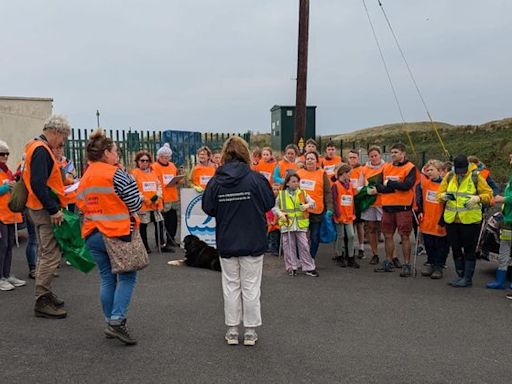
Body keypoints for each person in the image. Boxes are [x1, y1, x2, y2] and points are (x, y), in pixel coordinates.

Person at [202, 136, 274, 346]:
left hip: (227, 239)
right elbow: (269, 202)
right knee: (251, 287)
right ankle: (250, 331)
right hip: (253, 239)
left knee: (231, 286)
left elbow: (208, 207)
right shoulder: (256, 178)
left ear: (224, 155)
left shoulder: (217, 180)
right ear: (245, 154)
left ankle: (232, 330)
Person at [77, 129, 143, 345]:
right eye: (116, 150)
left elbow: (80, 202)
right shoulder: (116, 174)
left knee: (107, 277)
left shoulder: (86, 175)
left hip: (92, 232)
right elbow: (135, 203)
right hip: (117, 232)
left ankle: (109, 321)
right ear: (106, 152)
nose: (118, 154)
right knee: (127, 276)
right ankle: (117, 321)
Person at [23, 114, 70, 318]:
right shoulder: (41, 150)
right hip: (43, 209)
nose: (62, 142)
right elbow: (38, 184)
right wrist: (53, 209)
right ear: (55, 132)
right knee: (50, 254)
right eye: (63, 138)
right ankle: (42, 299)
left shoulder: (34, 146)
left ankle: (45, 293)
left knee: (46, 252)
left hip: (37, 207)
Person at [437, 154, 492, 287]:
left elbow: (489, 194)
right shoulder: (449, 176)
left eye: (463, 170)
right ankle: (460, 275)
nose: (460, 173)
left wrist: (477, 198)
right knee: (455, 248)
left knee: (469, 249)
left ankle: (467, 278)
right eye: (458, 171)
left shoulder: (476, 177)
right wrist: (443, 196)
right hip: (452, 220)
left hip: (470, 221)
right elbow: (439, 194)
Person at [372, 143, 417, 276]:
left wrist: (390, 184)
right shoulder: (386, 167)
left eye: (396, 152)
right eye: (392, 152)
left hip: (403, 207)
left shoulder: (410, 168)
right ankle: (388, 261)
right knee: (387, 235)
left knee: (404, 236)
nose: (393, 155)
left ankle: (407, 264)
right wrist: (394, 187)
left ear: (403, 154)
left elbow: (407, 185)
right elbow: (379, 185)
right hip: (387, 207)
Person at [273, 173, 318, 277]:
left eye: (297, 181)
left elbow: (313, 203)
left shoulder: (302, 193)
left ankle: (309, 267)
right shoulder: (281, 194)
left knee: (304, 245)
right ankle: (291, 267)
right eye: (293, 181)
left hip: (300, 224)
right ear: (287, 183)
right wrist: (280, 214)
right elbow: (275, 207)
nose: (296, 183)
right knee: (288, 246)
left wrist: (306, 205)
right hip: (287, 224)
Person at [296, 151, 334, 259]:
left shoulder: (322, 173)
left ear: (317, 161)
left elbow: (327, 192)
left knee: (314, 237)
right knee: (301, 237)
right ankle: (300, 258)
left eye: (312, 159)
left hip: (317, 211)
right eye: (308, 159)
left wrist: (330, 208)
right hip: (302, 210)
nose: (310, 161)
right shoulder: (299, 173)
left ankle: (311, 257)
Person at [415, 160, 448, 279]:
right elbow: (421, 200)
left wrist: (443, 219)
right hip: (427, 219)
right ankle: (431, 262)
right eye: (428, 170)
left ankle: (439, 266)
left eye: (432, 170)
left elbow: (448, 204)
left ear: (439, 171)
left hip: (439, 219)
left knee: (440, 245)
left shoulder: (446, 186)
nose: (429, 172)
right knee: (428, 243)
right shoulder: (424, 184)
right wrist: (420, 211)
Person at [0, 140, 26, 291]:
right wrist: (5, 187)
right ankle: (1, 277)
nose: (5, 156)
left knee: (9, 245)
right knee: (2, 246)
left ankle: (7, 274)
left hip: (9, 214)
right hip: (1, 215)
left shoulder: (7, 171)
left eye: (7, 154)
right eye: (2, 154)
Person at [132, 150, 164, 253]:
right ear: (137, 161)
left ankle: (161, 244)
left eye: (147, 160)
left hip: (155, 204)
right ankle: (144, 246)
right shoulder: (134, 173)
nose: (145, 163)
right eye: (142, 160)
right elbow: (134, 189)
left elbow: (159, 186)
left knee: (159, 223)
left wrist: (157, 197)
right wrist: (145, 199)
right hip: (143, 205)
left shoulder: (153, 173)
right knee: (143, 226)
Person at [487, 157, 512, 289]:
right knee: (504, 250)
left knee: (506, 248)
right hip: (507, 221)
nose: (510, 158)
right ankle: (500, 280)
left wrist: (502, 199)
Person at [152, 144, 181, 250]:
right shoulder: (154, 167)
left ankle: (171, 240)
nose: (166, 159)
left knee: (172, 221)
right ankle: (161, 243)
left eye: (168, 157)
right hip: (162, 198)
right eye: (164, 157)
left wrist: (177, 180)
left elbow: (176, 177)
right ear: (158, 157)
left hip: (173, 196)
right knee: (160, 222)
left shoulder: (172, 165)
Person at [361, 145, 385, 265]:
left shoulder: (386, 167)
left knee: (386, 230)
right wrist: (366, 190)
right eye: (371, 156)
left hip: (383, 202)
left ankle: (391, 255)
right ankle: (375, 254)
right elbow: (360, 186)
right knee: (371, 228)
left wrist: (379, 189)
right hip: (370, 203)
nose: (374, 158)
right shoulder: (365, 169)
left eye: (376, 155)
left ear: (380, 155)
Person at [332, 164, 358, 268]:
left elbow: (352, 199)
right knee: (340, 236)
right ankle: (339, 256)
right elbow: (334, 201)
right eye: (349, 174)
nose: (350, 176)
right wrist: (337, 214)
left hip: (349, 215)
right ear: (343, 174)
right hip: (340, 215)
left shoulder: (350, 185)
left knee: (351, 235)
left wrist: (354, 212)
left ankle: (351, 257)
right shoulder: (335, 185)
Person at [348, 149, 366, 259]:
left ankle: (361, 247)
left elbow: (363, 184)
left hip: (358, 200)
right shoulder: (346, 169)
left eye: (354, 157)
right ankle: (350, 248)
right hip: (347, 201)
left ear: (358, 158)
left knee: (360, 225)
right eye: (350, 157)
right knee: (349, 226)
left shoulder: (362, 169)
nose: (352, 159)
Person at [266, 183, 281, 256]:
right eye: (274, 189)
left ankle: (278, 249)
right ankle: (273, 249)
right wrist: (269, 221)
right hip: (271, 220)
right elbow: (267, 211)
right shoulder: (269, 199)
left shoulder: (280, 199)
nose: (275, 191)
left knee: (279, 236)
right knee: (273, 237)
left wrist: (275, 221)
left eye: (277, 189)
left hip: (278, 221)